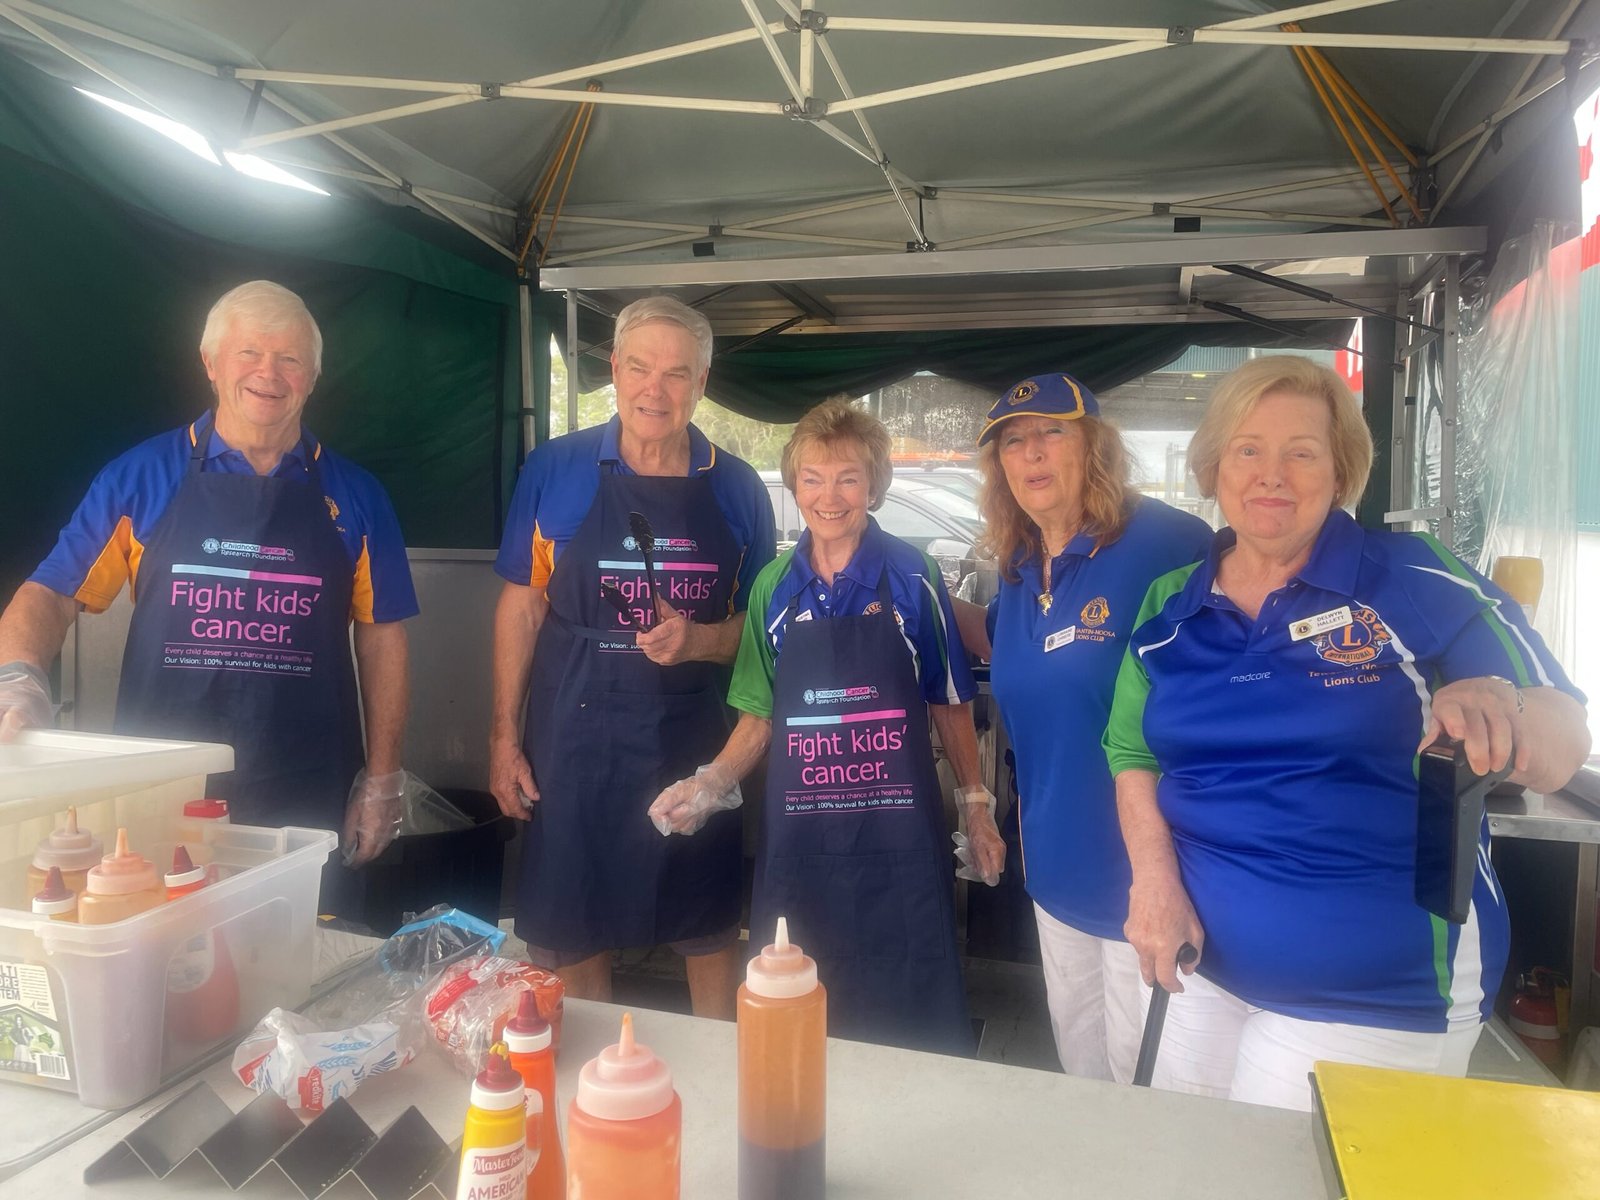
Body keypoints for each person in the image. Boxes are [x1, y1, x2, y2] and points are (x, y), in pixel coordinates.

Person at [1102, 355, 1590, 1111]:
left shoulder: (1414, 578)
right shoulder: (1172, 602)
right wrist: (1154, 884)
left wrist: (1505, 708)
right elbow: (1132, 752)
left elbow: (1565, 742)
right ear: (1214, 467)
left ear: (1340, 473)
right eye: (1248, 450)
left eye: (1302, 452)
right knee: (1184, 1162)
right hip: (1197, 963)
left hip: (1378, 990)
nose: (1272, 474)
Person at [0, 281, 418, 912]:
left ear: (313, 377)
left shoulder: (358, 496)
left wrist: (383, 777)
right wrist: (17, 676)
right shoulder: (141, 478)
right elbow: (53, 593)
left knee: (299, 944)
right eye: (249, 352)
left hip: (306, 781)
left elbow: (383, 635)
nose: (268, 374)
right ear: (211, 363)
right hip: (164, 782)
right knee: (163, 939)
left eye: (290, 359)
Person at [650, 399, 1005, 1055]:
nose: (829, 496)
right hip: (801, 842)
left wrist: (976, 809)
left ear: (874, 486)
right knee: (798, 1008)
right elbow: (760, 715)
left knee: (911, 1001)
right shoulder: (772, 588)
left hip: (900, 833)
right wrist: (709, 783)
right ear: (794, 486)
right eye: (812, 479)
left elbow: (949, 700)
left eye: (847, 478)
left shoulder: (913, 576)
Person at [490, 296, 774, 1019]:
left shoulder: (739, 487)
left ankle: (720, 1061)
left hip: (693, 736)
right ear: (613, 369)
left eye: (676, 374)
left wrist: (699, 640)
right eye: (640, 368)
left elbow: (762, 632)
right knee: (573, 916)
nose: (655, 389)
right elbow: (522, 608)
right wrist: (502, 739)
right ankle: (597, 1068)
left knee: (705, 916)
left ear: (701, 383)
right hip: (572, 732)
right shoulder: (555, 468)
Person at [950, 373, 1211, 1083]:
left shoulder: (1170, 542)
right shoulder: (1018, 560)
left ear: (1094, 446)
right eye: (1013, 442)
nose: (1032, 453)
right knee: (1083, 1073)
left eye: (1051, 433)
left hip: (1153, 878)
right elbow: (1008, 646)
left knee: (1146, 1086)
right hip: (1056, 869)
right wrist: (913, 592)